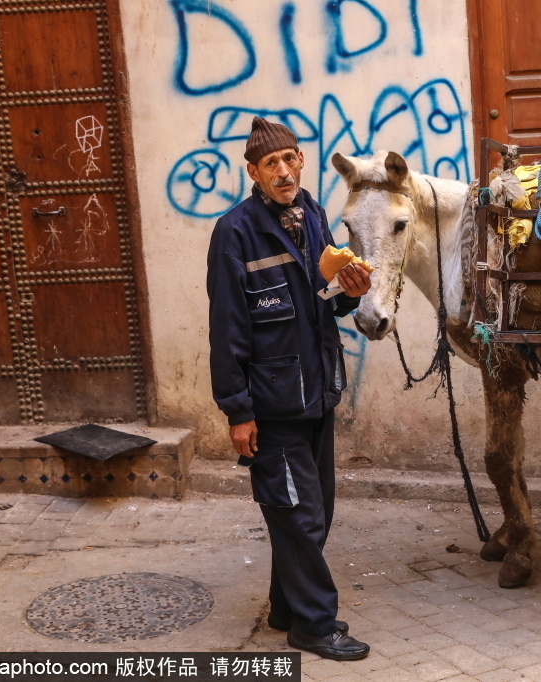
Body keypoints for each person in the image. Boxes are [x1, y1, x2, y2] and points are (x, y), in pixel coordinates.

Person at [206, 117, 372, 660]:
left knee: (309, 509)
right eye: (270, 163)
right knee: (297, 511)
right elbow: (228, 327)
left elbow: (325, 301)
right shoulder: (235, 233)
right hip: (272, 401)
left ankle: (285, 608)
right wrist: (237, 411)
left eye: (290, 159)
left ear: (301, 161)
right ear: (252, 172)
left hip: (317, 389)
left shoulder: (316, 217)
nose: (283, 171)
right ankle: (315, 626)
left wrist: (350, 293)